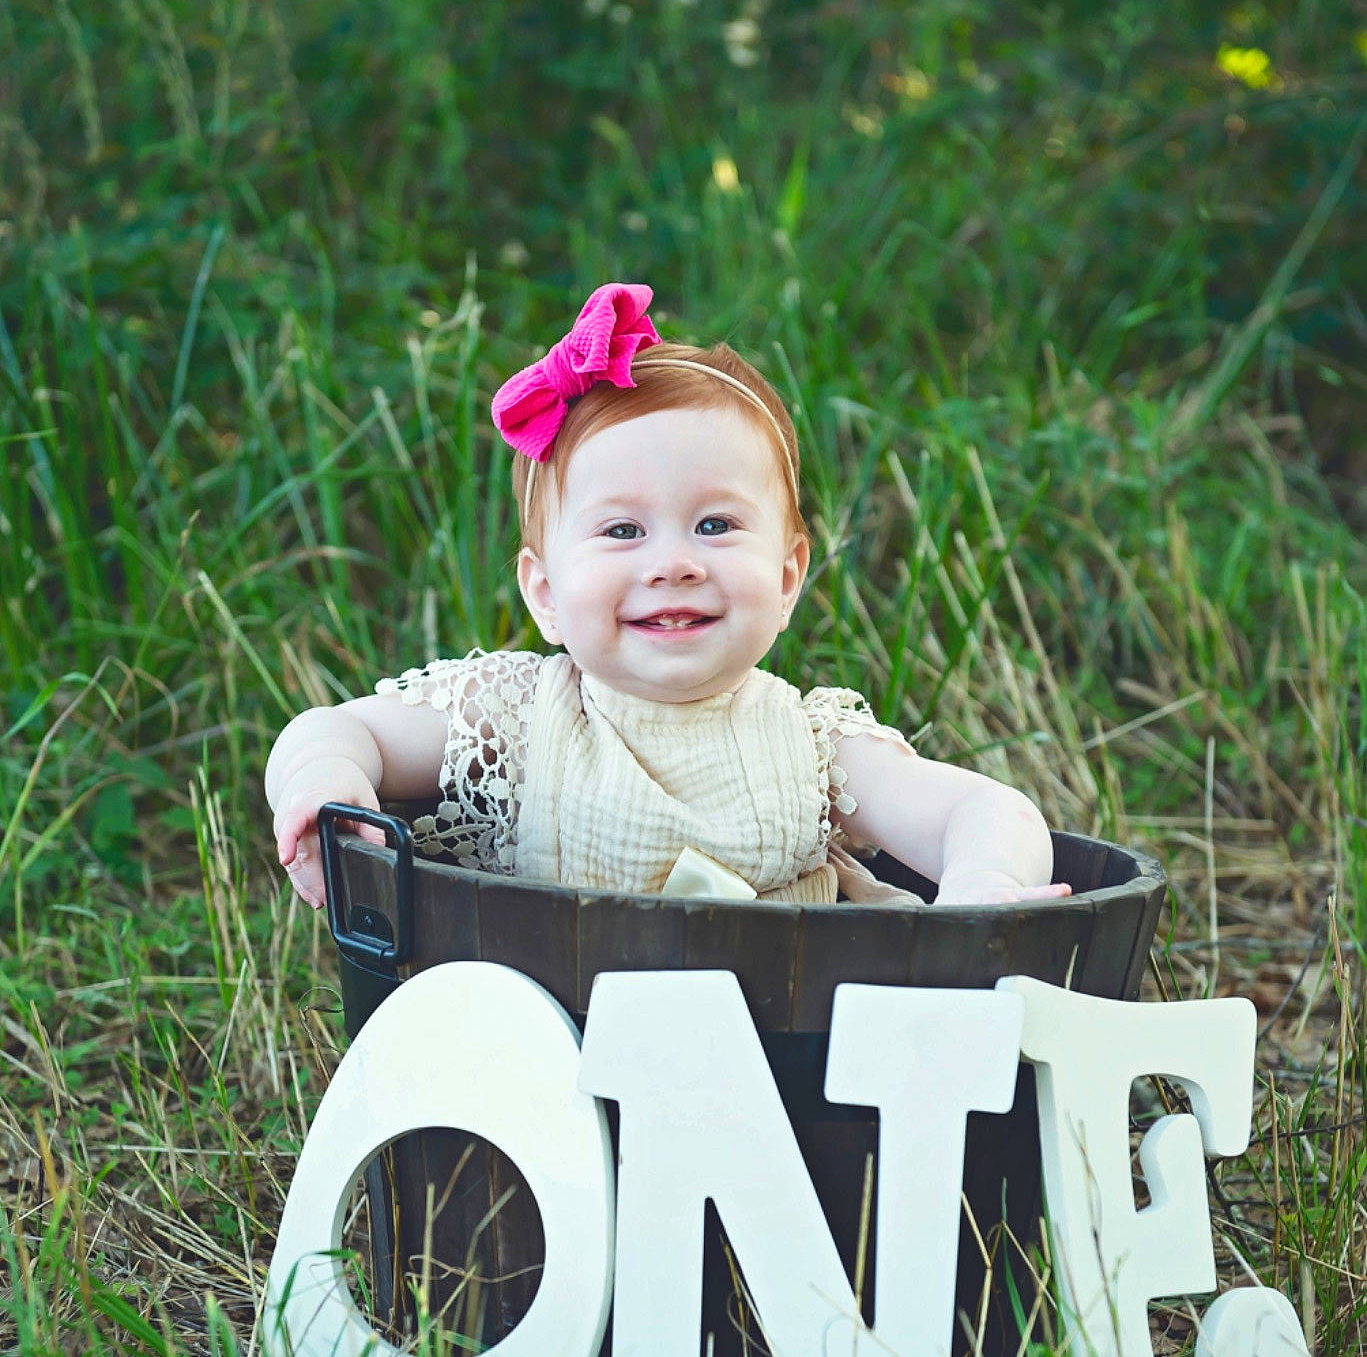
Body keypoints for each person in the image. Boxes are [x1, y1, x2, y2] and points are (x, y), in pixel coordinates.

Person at [266, 283, 1071, 911]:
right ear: (544, 594)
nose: (673, 564)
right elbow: (336, 728)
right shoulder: (510, 720)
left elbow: (978, 809)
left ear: (788, 579)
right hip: (556, 1057)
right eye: (622, 532)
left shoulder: (811, 744)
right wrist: (325, 780)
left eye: (715, 524)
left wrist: (985, 880)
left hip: (777, 1064)